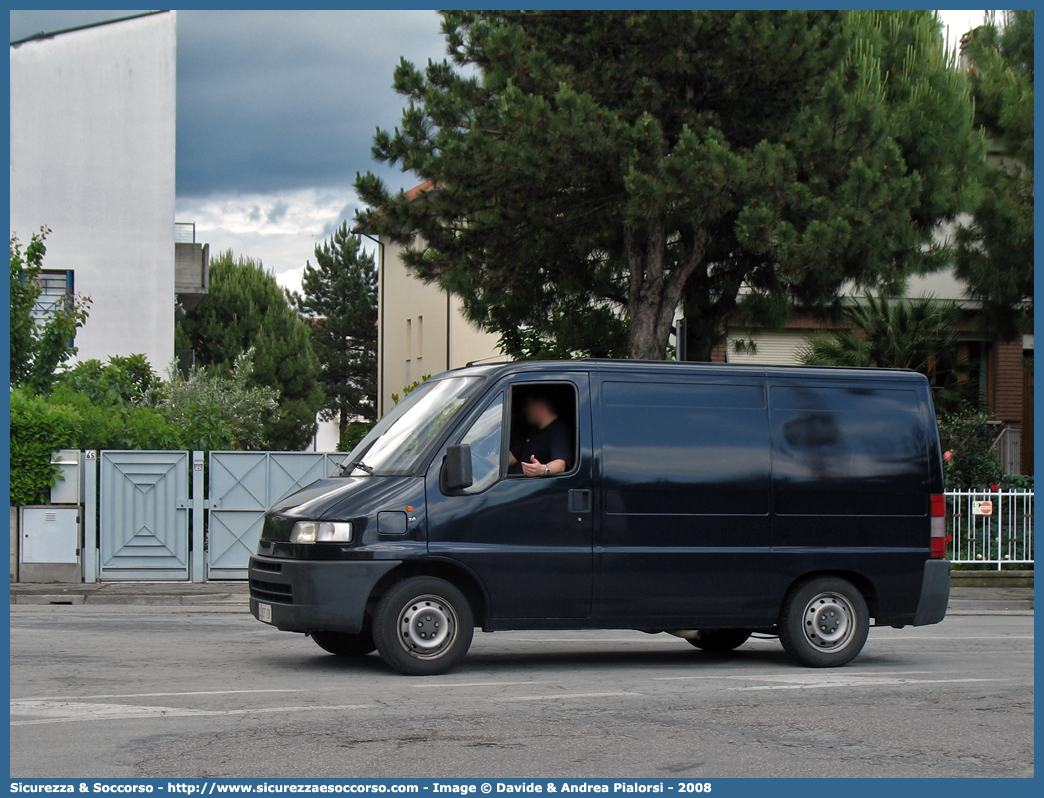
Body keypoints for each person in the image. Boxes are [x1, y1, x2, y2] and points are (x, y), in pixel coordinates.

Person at [508, 390, 572, 477]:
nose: (526, 411)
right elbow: (510, 457)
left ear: (540, 406)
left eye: (528, 406)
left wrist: (543, 469)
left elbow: (561, 464)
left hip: (534, 488)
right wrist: (484, 460)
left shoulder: (559, 431)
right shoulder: (534, 433)